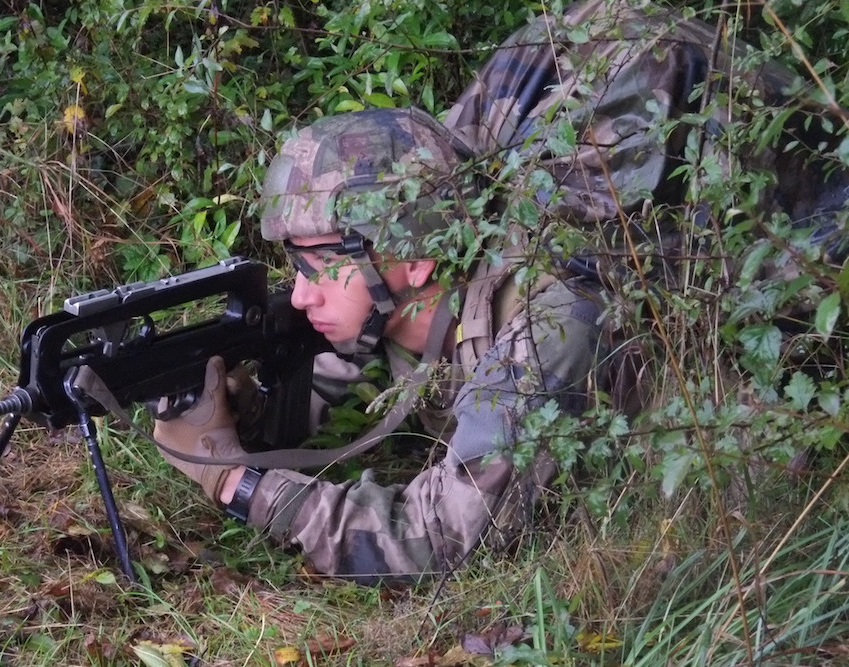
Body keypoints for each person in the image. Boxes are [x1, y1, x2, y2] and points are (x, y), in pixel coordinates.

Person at [151, 0, 849, 583]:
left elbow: (438, 539)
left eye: (316, 266)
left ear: (411, 257)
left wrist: (234, 481)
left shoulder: (552, 318)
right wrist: (243, 411)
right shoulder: (415, 273)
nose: (299, 295)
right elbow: (333, 362)